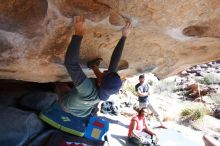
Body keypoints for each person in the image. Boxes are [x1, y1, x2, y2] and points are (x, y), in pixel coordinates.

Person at [39, 16, 132, 134]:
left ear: (99, 83)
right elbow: (113, 65)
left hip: (67, 105)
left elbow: (71, 64)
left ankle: (60, 89)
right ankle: (93, 65)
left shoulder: (88, 90)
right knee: (93, 80)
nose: (105, 71)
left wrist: (79, 33)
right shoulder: (108, 88)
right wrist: (124, 36)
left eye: (105, 74)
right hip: (85, 108)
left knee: (61, 85)